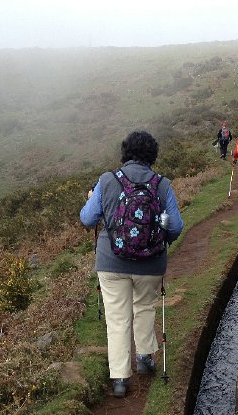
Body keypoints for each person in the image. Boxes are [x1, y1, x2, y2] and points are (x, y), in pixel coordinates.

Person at [79, 131, 184, 398]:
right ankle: (145, 358)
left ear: (125, 153)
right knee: (144, 307)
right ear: (153, 155)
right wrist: (159, 240)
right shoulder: (162, 185)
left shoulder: (107, 181)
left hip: (111, 262)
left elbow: (88, 219)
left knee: (117, 319)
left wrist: (93, 197)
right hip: (150, 264)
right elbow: (176, 226)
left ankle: (120, 379)